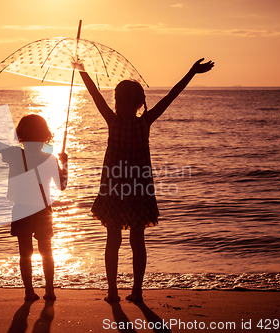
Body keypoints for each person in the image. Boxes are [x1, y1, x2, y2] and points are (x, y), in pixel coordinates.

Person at [76, 58, 214, 302]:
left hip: (114, 189)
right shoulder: (144, 122)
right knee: (137, 240)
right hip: (139, 189)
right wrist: (191, 72)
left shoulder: (113, 121)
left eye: (117, 100)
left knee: (113, 240)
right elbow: (171, 96)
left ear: (119, 102)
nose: (115, 104)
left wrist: (83, 71)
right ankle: (137, 292)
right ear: (140, 103)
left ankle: (112, 292)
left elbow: (95, 94)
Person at [0, 103, 68, 301]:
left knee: (25, 253)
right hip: (43, 210)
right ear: (45, 136)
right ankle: (50, 290)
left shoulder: (15, 154)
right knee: (46, 252)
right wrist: (65, 162)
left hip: (21, 209)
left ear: (21, 135)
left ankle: (29, 291)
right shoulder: (50, 158)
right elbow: (62, 186)